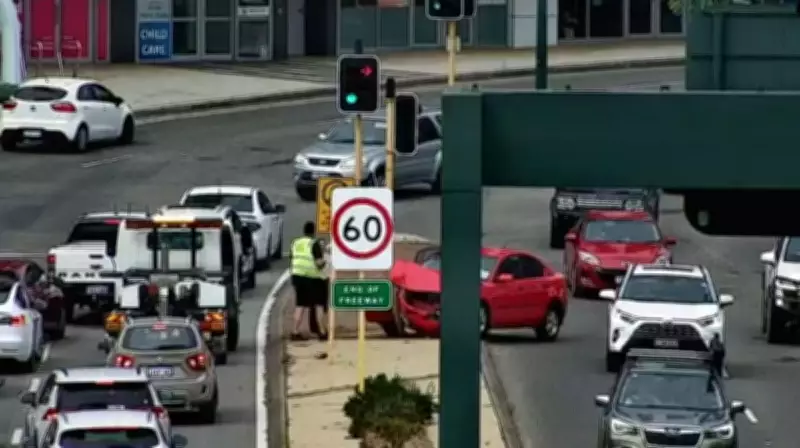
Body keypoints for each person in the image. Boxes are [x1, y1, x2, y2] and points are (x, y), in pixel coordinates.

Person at [290, 221, 327, 340]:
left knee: (300, 304)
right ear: (313, 231)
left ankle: (295, 331)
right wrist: (325, 262)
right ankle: (322, 332)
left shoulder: (295, 243)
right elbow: (319, 263)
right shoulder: (313, 244)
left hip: (297, 276)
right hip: (312, 278)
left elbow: (292, 258)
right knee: (319, 304)